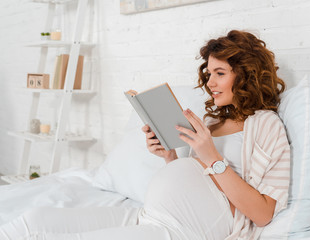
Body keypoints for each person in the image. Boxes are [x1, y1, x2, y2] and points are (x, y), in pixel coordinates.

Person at [0, 30, 290, 240]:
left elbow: (263, 213)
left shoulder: (265, 125)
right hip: (149, 214)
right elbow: (194, 180)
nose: (210, 83)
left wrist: (211, 156)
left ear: (246, 75)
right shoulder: (212, 122)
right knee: (34, 220)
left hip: (183, 230)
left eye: (220, 73)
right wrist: (170, 158)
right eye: (209, 73)